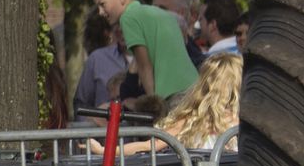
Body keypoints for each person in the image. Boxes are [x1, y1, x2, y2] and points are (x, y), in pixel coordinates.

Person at [90, 53, 242, 156]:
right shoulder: (244, 122)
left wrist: (104, 150)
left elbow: (149, 146)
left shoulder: (193, 120)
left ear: (204, 84)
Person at [93, 0, 199, 101]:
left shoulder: (128, 18)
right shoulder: (157, 13)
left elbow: (144, 65)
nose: (100, 12)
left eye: (102, 4)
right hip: (194, 87)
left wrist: (153, 102)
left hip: (171, 94)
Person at [73, 7, 129, 112]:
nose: (121, 29)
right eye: (117, 25)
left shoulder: (154, 58)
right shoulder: (97, 59)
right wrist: (92, 123)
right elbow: (81, 105)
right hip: (104, 127)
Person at [153, 0, 208, 68]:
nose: (154, 14)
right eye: (153, 9)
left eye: (162, 9)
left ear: (181, 14)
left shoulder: (197, 62)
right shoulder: (147, 52)